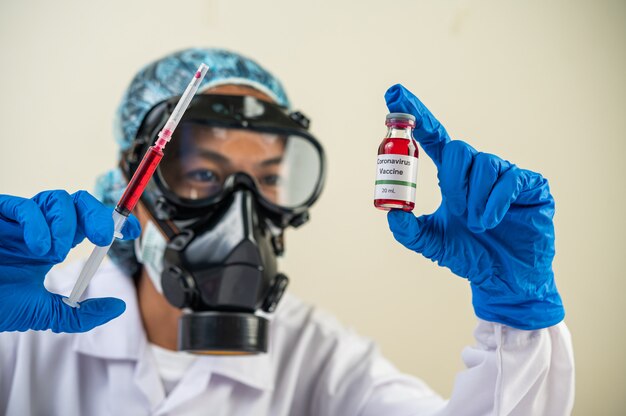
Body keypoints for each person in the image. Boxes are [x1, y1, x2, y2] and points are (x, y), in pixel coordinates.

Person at [0, 48, 574, 415]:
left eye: (270, 179)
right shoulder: (28, 320)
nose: (242, 211)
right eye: (203, 173)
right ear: (135, 187)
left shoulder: (319, 359)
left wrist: (516, 320)